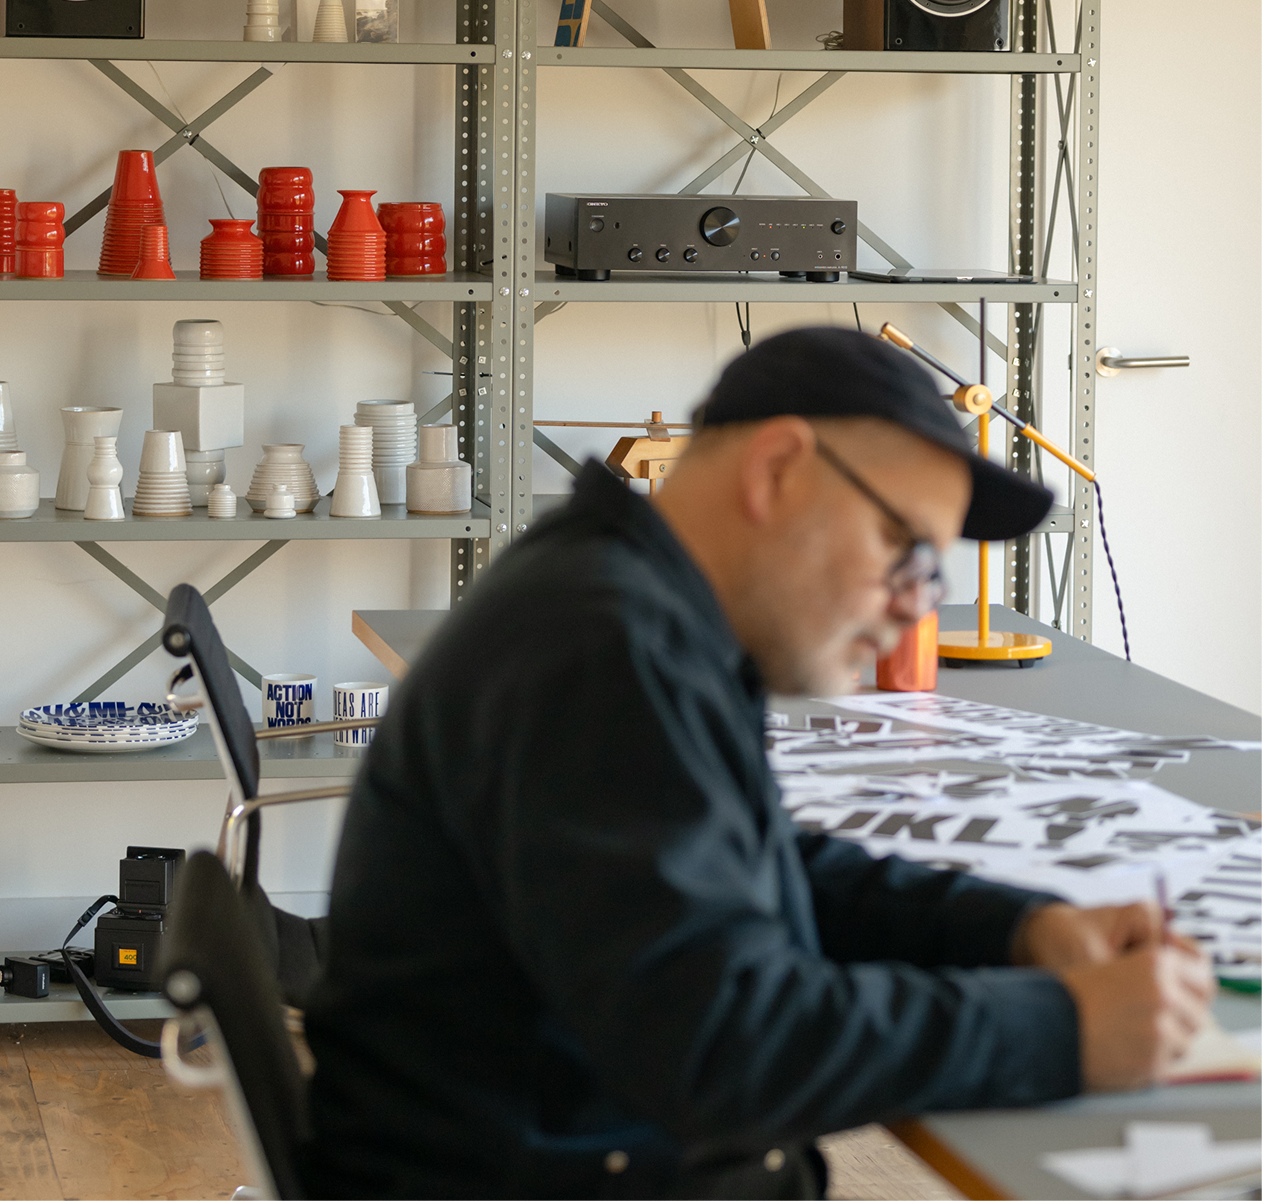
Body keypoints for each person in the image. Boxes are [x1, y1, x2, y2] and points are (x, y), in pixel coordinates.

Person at [305, 327, 1210, 1201]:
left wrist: (1018, 932)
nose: (914, 607)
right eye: (904, 549)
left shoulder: (632, 605)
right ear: (777, 469)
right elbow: (720, 1046)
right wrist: (1062, 1030)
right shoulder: (601, 651)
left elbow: (765, 866)